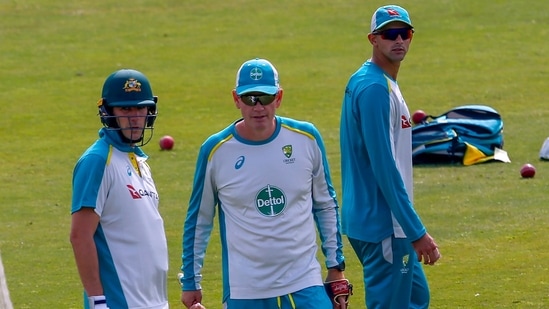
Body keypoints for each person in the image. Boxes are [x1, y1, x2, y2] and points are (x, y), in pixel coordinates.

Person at [179, 58, 347, 309]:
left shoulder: (307, 138)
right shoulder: (215, 151)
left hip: (304, 282)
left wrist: (336, 268)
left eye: (265, 97)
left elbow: (325, 205)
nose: (258, 107)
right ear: (236, 99)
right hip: (245, 289)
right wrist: (191, 281)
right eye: (249, 98)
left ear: (278, 97)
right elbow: (199, 220)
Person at [339, 5, 441, 309]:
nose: (398, 40)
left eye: (404, 33)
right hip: (384, 224)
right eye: (388, 34)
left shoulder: (373, 80)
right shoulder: (373, 89)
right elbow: (384, 166)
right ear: (373, 39)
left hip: (379, 221)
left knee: (415, 298)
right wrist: (416, 230)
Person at [70, 69, 169, 309]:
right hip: (119, 302)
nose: (134, 117)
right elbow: (80, 236)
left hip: (153, 301)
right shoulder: (97, 161)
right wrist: (97, 300)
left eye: (140, 108)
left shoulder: (139, 161)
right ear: (108, 112)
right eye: (125, 109)